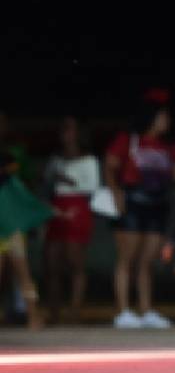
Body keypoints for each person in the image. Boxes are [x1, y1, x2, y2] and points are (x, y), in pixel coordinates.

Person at [105, 93, 175, 329]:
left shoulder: (168, 147)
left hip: (158, 205)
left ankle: (146, 310)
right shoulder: (128, 139)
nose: (167, 121)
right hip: (132, 202)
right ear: (151, 117)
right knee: (126, 258)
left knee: (147, 261)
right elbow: (110, 166)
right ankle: (122, 311)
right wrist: (116, 193)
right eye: (163, 117)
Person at [43, 116, 101, 324]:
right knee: (51, 262)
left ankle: (74, 310)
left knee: (74, 261)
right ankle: (54, 311)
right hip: (56, 208)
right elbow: (46, 185)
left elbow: (93, 188)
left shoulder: (89, 159)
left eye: (70, 129)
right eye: (64, 129)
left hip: (77, 208)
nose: (66, 133)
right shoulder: (56, 159)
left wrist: (69, 181)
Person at [0, 110, 54, 329]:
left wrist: (31, 215)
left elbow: (23, 185)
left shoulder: (13, 154)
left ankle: (33, 316)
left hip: (12, 224)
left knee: (23, 273)